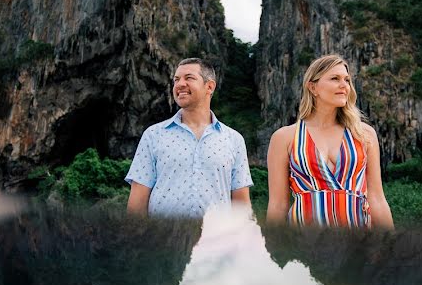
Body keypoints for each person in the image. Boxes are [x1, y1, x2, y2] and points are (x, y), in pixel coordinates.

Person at [266, 54, 394, 229]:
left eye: (347, 80)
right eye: (335, 79)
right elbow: (277, 205)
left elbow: (377, 199)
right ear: (313, 87)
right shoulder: (284, 137)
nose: (344, 86)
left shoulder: (363, 134)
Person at [125, 57, 253, 218]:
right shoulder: (154, 135)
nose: (180, 84)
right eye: (176, 79)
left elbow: (241, 203)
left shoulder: (234, 140)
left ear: (209, 86)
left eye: (189, 78)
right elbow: (137, 200)